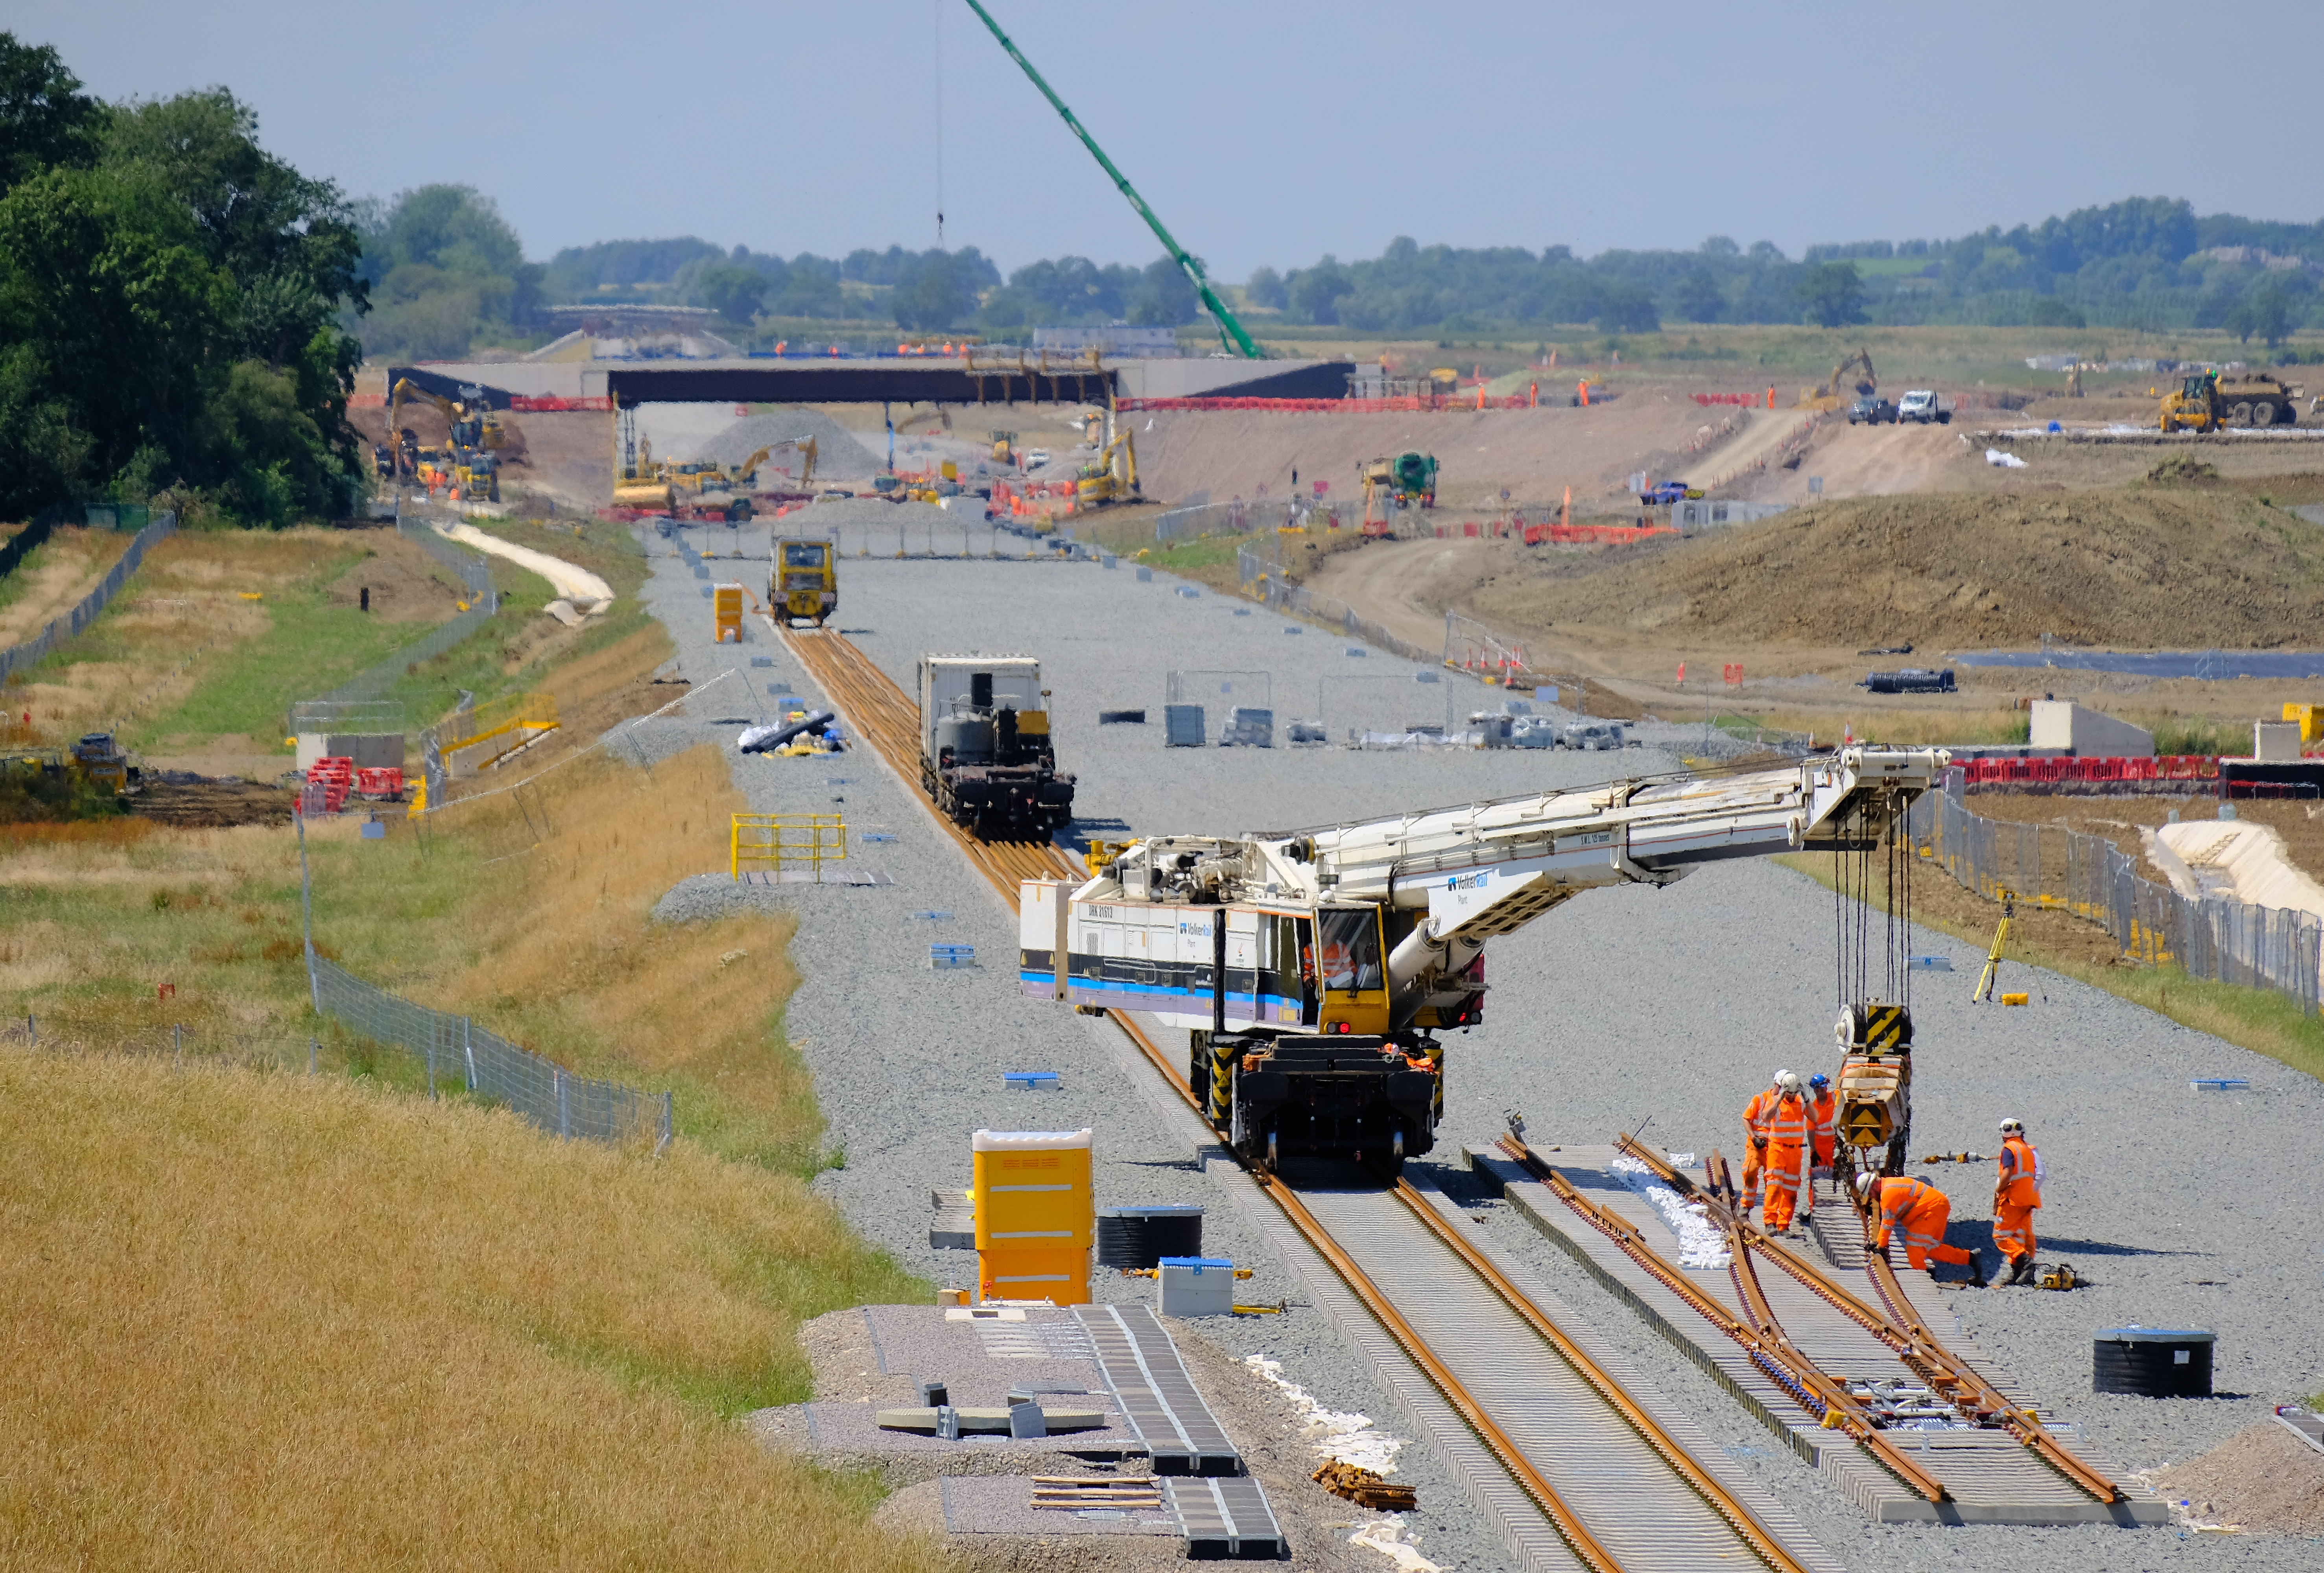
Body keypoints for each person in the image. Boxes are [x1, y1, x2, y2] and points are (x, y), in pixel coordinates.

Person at [1857, 1171, 1985, 1287]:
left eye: (1870, 1193)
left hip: (1932, 1209)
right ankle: (1969, 1258)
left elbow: (1887, 1224)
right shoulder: (1890, 1184)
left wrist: (1881, 1245)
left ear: (1874, 1186)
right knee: (1930, 1247)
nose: (1872, 1197)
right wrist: (1879, 1243)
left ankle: (1922, 1279)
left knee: (1914, 1244)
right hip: (1936, 1207)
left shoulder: (1887, 1195)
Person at [1992, 1118, 2044, 1286]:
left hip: (2013, 1199)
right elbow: (2039, 1175)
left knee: (2001, 1236)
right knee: (2022, 1236)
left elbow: (2007, 1174)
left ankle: (2026, 1263)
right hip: (2029, 1198)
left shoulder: (2009, 1149)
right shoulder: (2027, 1149)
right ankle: (2020, 1275)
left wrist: (1998, 1190)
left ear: (2003, 1134)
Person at [1759, 1071, 1812, 1233]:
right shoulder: (1776, 1103)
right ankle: (1770, 1222)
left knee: (1791, 1190)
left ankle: (1784, 1224)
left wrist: (1807, 1098)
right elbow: (1766, 1117)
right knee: (1774, 1186)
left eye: (1794, 1093)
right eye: (1789, 1093)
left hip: (1795, 1152)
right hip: (1778, 1149)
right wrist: (1780, 1099)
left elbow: (1815, 1117)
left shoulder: (1801, 1102)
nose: (1791, 1097)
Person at [1806, 1072, 1839, 1216]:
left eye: (1822, 1089)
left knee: (1837, 1177)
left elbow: (1844, 1086)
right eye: (1817, 1090)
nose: (1820, 1092)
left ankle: (1836, 1207)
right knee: (1815, 1179)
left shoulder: (1835, 1098)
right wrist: (1814, 1151)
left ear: (1826, 1087)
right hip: (1819, 1149)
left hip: (1834, 1148)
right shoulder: (1812, 1109)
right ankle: (1814, 1209)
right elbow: (1811, 1132)